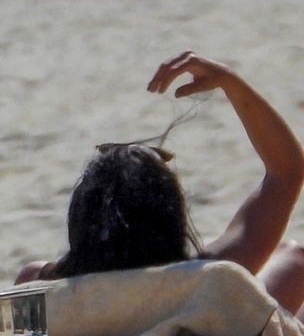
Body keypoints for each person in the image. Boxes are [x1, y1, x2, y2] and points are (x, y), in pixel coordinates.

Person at [15, 52, 304, 314]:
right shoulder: (203, 279)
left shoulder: (42, 284)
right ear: (169, 214)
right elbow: (286, 172)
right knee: (294, 259)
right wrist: (231, 83)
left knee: (289, 256)